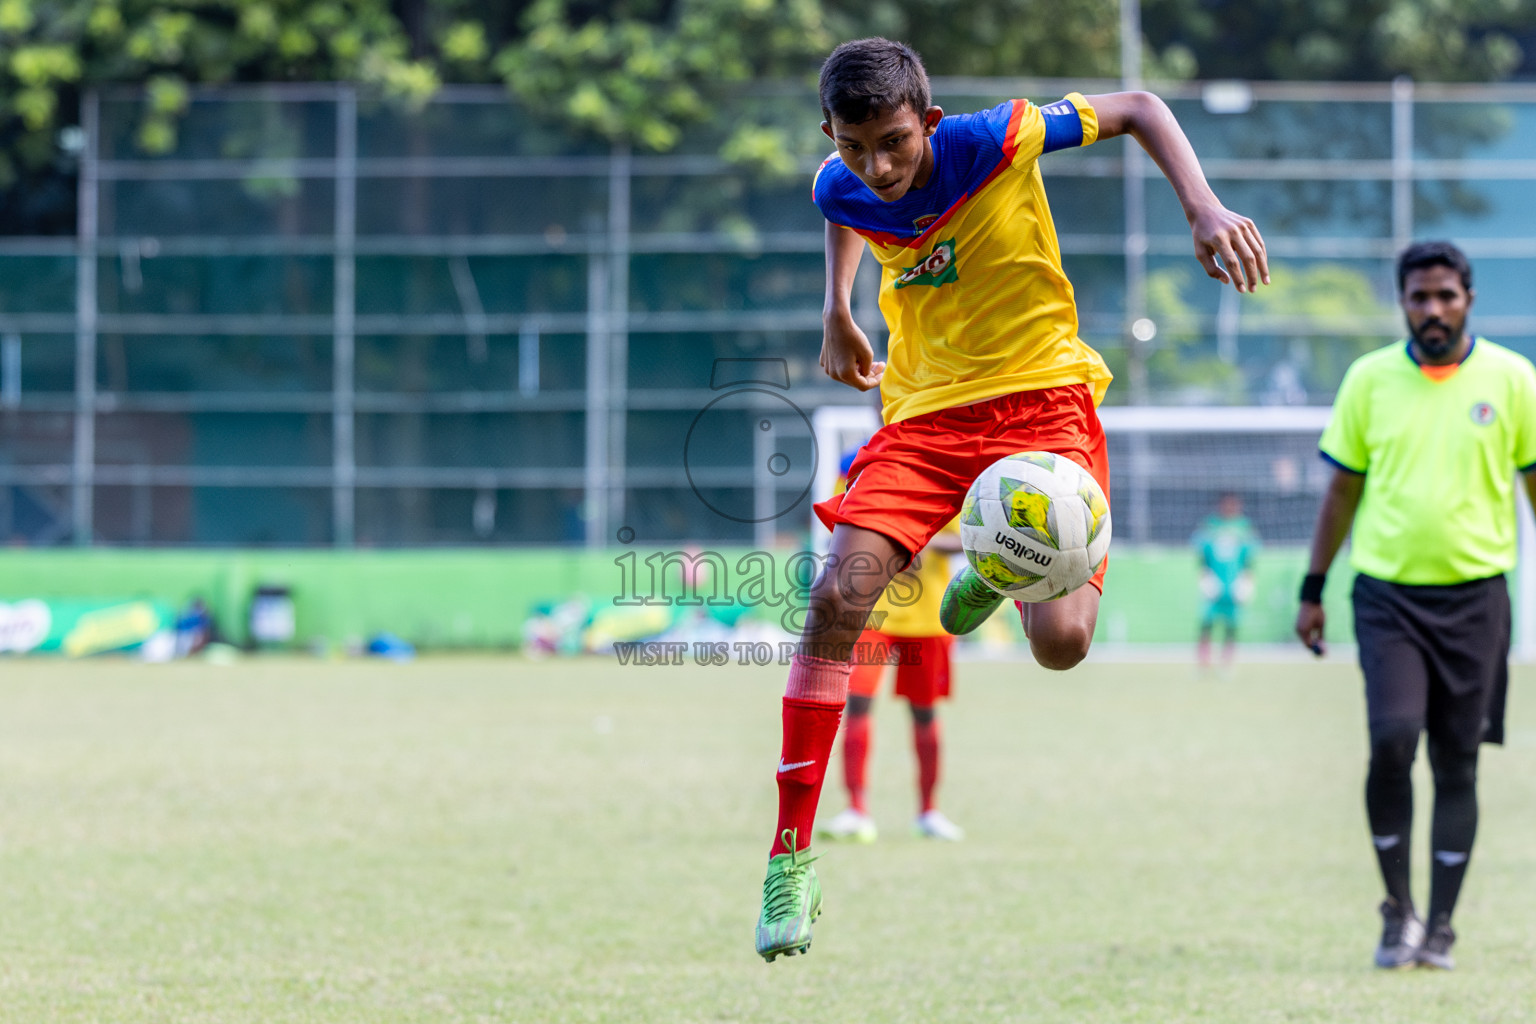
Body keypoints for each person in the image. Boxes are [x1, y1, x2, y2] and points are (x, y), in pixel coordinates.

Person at [755, 36, 1269, 963]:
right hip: (924, 416)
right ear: (832, 134)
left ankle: (994, 571)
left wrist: (1203, 207)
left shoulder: (998, 139)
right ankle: (789, 857)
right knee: (835, 599)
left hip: (1042, 404)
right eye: (857, 145)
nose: (880, 166)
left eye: (897, 143)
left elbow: (1144, 107)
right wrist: (837, 305)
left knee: (1063, 646)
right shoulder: (841, 181)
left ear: (932, 123)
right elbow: (837, 205)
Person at [1295, 239, 1536, 971]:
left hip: (1478, 598)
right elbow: (1342, 491)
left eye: (1446, 296)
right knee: (1395, 740)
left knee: (1457, 762)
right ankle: (1396, 910)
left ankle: (1441, 927)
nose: (1433, 310)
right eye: (1419, 297)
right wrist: (1313, 587)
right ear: (1403, 302)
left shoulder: (1514, 379)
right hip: (1387, 598)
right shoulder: (1368, 380)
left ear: (1467, 299)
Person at [820, 509, 966, 844]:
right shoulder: (856, 470)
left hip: (929, 616)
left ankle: (929, 812)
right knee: (855, 703)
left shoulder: (950, 475)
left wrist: (922, 544)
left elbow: (967, 540)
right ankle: (856, 810)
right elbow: (840, 534)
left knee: (924, 711)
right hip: (872, 612)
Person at [1192, 493, 1259, 667]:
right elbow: (1201, 555)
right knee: (1206, 622)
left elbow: (1249, 558)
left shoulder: (1244, 527)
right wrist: (1205, 578)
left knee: (1232, 625)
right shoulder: (1210, 526)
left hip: (1233, 585)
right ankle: (1203, 659)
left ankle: (1226, 660)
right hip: (1215, 584)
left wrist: (1247, 581)